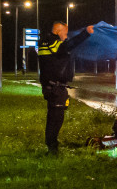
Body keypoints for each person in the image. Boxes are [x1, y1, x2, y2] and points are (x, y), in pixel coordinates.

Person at [36, 20, 93, 155]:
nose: (66, 36)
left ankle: (52, 143)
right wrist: (86, 33)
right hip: (54, 86)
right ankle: (52, 147)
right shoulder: (51, 41)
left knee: (56, 116)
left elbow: (65, 49)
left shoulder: (49, 41)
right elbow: (66, 47)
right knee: (55, 117)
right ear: (57, 31)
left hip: (55, 86)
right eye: (65, 32)